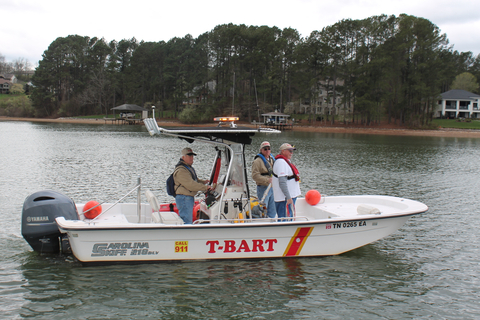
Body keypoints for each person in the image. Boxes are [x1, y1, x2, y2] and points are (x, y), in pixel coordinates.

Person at [173, 147, 212, 224]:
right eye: (189, 156)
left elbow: (194, 179)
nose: (192, 158)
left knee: (187, 219)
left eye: (192, 156)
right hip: (184, 199)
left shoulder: (187, 168)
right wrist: (205, 187)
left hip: (186, 198)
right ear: (183, 157)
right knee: (187, 221)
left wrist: (204, 182)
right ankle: (186, 235)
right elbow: (191, 185)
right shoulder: (181, 170)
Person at [272, 143, 301, 219]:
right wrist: (288, 197)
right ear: (283, 151)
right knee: (285, 219)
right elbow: (282, 182)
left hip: (289, 197)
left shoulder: (285, 161)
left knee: (288, 218)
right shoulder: (281, 162)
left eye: (292, 151)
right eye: (290, 151)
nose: (292, 153)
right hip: (284, 199)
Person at [251, 141, 277, 218]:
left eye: (269, 148)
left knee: (273, 209)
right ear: (261, 150)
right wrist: (267, 180)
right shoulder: (257, 161)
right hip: (263, 188)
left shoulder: (272, 159)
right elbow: (255, 176)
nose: (267, 150)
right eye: (265, 149)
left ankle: (271, 223)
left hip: (273, 188)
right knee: (263, 209)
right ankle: (261, 222)